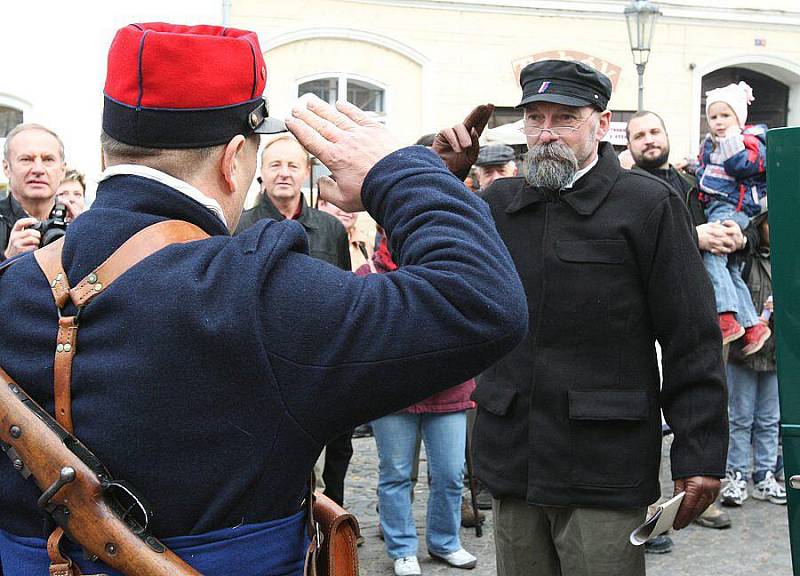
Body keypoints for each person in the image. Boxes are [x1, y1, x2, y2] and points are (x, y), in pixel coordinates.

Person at [0, 23, 527, 575]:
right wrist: (398, 173)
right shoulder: (253, 294)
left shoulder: (13, 286)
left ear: (110, 150)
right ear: (233, 159)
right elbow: (481, 301)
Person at [468, 60, 727, 576]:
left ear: (601, 124)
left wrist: (698, 453)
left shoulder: (647, 205)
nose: (545, 134)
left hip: (601, 461)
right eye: (535, 118)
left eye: (564, 118)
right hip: (514, 453)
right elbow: (430, 274)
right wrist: (441, 172)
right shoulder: (498, 203)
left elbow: (691, 337)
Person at [627, 110, 743, 531]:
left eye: (655, 131)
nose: (649, 140)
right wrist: (697, 237)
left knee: (698, 397)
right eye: (639, 135)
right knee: (646, 414)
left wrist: (734, 234)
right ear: (628, 145)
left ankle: (695, 493)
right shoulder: (628, 190)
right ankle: (649, 505)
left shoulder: (692, 184)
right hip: (645, 319)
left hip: (694, 308)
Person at [236, 134, 354, 506]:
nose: (284, 173)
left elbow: (345, 292)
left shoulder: (330, 228)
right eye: (275, 165)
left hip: (329, 359)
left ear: (306, 172)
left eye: (292, 165)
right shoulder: (240, 226)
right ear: (262, 174)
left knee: (340, 446)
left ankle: (334, 516)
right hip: (270, 363)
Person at [356, 236, 478, 576]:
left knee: (451, 474)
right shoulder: (370, 274)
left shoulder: (449, 266)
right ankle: (402, 548)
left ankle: (445, 542)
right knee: (395, 473)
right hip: (392, 392)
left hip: (447, 387)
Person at [696, 81, 770, 355]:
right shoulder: (712, 143)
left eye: (725, 115)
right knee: (730, 269)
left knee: (713, 256)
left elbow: (742, 167)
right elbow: (707, 170)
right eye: (713, 117)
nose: (718, 122)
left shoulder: (749, 141)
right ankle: (752, 326)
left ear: (739, 118)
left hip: (732, 209)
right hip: (719, 206)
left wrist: (730, 142)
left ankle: (725, 316)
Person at [721, 201, 785, 507]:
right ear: (759, 225)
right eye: (770, 223)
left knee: (771, 419)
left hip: (775, 355)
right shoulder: (742, 259)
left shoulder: (788, 260)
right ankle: (735, 475)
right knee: (741, 418)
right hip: (744, 353)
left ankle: (764, 475)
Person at [1, 123, 67, 260]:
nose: (38, 169)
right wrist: (6, 260)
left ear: (62, 170)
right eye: (26, 159)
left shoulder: (78, 223)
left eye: (48, 159)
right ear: (7, 168)